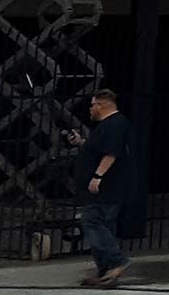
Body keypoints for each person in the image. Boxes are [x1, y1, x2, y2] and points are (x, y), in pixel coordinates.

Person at [67, 89, 132, 286]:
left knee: (92, 221)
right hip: (105, 188)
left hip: (105, 188)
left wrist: (97, 176)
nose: (90, 109)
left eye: (92, 105)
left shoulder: (114, 125)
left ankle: (116, 261)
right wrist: (81, 143)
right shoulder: (108, 126)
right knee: (103, 226)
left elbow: (111, 153)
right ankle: (106, 272)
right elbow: (100, 147)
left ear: (101, 106)